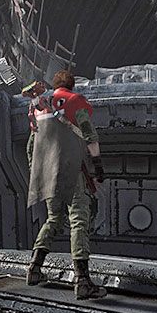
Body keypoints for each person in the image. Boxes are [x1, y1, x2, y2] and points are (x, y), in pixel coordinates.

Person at [24, 70, 106, 300]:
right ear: (71, 86)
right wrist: (98, 167)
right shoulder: (74, 101)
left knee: (53, 219)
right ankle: (82, 281)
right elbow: (90, 137)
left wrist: (37, 171)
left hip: (47, 174)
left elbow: (31, 147)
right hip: (71, 172)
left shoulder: (39, 107)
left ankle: (34, 269)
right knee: (78, 219)